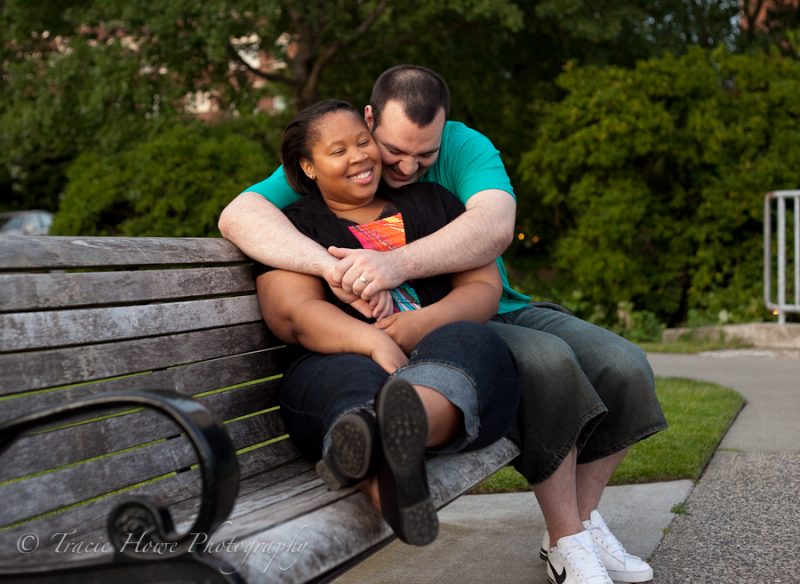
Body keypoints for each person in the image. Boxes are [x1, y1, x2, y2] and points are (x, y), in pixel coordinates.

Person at [219, 65, 667, 584]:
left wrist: (395, 271)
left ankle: (578, 527)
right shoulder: (320, 179)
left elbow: (496, 227)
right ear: (368, 123)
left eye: (424, 155)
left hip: (475, 315)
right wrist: (331, 270)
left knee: (624, 365)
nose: (406, 166)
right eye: (391, 149)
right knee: (541, 362)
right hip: (379, 346)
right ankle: (561, 534)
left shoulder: (457, 161)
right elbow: (243, 219)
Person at [255, 99, 520, 546]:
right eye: (338, 151)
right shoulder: (293, 228)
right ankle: (384, 452)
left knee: (477, 343)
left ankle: (383, 438)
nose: (359, 157)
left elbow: (483, 286)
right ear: (308, 166)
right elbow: (294, 315)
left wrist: (421, 324)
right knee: (345, 378)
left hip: (438, 351)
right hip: (337, 361)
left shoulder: (433, 203)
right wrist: (372, 342)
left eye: (363, 142)